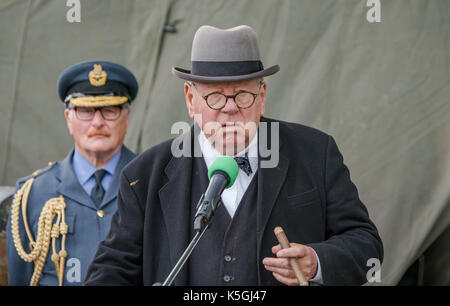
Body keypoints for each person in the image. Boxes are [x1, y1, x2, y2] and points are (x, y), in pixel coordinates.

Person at [84, 26, 383, 286]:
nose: (229, 108)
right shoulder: (143, 175)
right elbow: (113, 269)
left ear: (262, 96)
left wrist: (317, 262)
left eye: (242, 94)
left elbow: (366, 244)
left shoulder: (315, 153)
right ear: (191, 100)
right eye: (214, 96)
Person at [6, 60, 138, 286]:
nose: (97, 122)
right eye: (85, 111)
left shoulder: (154, 183)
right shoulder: (32, 194)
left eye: (109, 110)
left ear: (126, 117)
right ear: (68, 118)